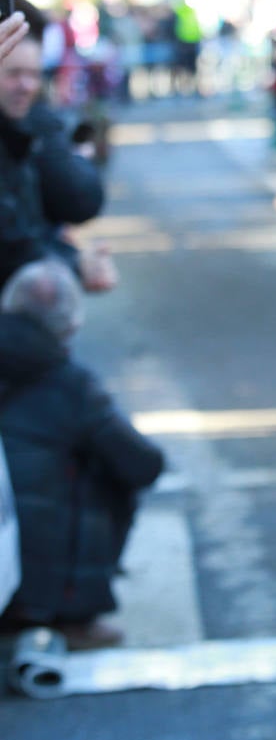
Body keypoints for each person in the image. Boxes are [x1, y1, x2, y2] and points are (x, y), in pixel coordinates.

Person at [0, 259, 164, 649]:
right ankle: (67, 613)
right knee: (105, 473)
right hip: (34, 581)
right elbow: (142, 465)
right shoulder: (71, 384)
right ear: (70, 324)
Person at [0, 0, 106, 291]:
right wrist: (73, 262)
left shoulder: (31, 125)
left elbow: (76, 202)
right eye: (13, 74)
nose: (27, 86)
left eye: (34, 74)